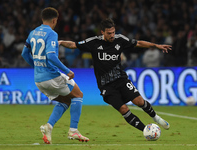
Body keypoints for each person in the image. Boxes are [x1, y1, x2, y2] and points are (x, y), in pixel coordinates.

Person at [59, 18, 171, 135]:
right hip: (106, 86)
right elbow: (73, 45)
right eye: (109, 33)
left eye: (113, 32)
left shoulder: (120, 39)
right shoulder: (94, 42)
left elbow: (138, 43)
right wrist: (61, 42)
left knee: (139, 101)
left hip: (121, 79)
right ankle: (146, 131)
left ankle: (156, 118)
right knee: (124, 109)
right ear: (102, 32)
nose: (112, 35)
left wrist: (156, 45)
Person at [21, 7, 89, 144]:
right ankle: (73, 131)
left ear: (42, 19)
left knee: (65, 100)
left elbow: (24, 54)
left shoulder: (32, 33)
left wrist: (37, 67)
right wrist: (67, 70)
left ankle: (49, 126)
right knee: (78, 95)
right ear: (54, 20)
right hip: (51, 76)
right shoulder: (51, 33)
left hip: (38, 79)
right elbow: (51, 56)